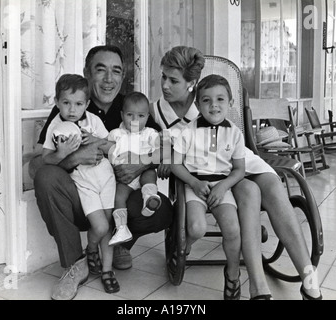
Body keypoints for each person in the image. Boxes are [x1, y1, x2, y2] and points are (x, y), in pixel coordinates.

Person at [151, 45, 322, 300]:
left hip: (237, 163)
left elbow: (234, 144)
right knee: (250, 192)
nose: (165, 85)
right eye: (163, 76)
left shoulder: (210, 102)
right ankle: (257, 285)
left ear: (192, 84)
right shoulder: (156, 110)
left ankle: (309, 277)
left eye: (173, 80)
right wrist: (161, 157)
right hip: (205, 174)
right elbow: (151, 146)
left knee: (273, 187)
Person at [32, 45, 173, 300]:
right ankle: (76, 264)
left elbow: (166, 149)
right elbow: (36, 166)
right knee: (45, 177)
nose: (109, 79)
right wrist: (74, 157)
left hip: (116, 193)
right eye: (101, 70)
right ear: (87, 73)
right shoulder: (70, 107)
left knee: (161, 210)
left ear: (122, 76)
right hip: (80, 196)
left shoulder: (131, 106)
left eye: (116, 71)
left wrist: (140, 164)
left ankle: (118, 244)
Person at [42, 74, 120, 294]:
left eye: (78, 104)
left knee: (109, 224)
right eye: (66, 103)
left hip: (105, 177)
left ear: (87, 104)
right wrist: (62, 154)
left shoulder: (93, 120)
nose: (72, 110)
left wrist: (96, 141)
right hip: (83, 182)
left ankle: (106, 270)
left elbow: (110, 146)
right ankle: (90, 250)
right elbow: (46, 159)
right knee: (101, 226)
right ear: (57, 102)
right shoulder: (56, 125)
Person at [171, 75, 246, 300]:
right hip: (195, 184)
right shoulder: (188, 131)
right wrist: (193, 182)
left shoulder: (234, 133)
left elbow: (239, 170)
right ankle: (185, 245)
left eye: (220, 99)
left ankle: (232, 274)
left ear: (230, 103)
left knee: (233, 230)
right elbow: (175, 164)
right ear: (197, 104)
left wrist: (223, 187)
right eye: (206, 100)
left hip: (221, 185)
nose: (214, 105)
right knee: (196, 228)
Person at [107, 91, 162, 246]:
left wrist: (148, 159)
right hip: (125, 179)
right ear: (122, 114)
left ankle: (149, 198)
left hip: (144, 171)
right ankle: (121, 228)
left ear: (147, 117)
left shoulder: (150, 133)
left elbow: (159, 151)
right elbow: (106, 149)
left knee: (149, 174)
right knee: (119, 197)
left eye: (141, 116)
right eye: (130, 115)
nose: (135, 120)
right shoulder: (116, 134)